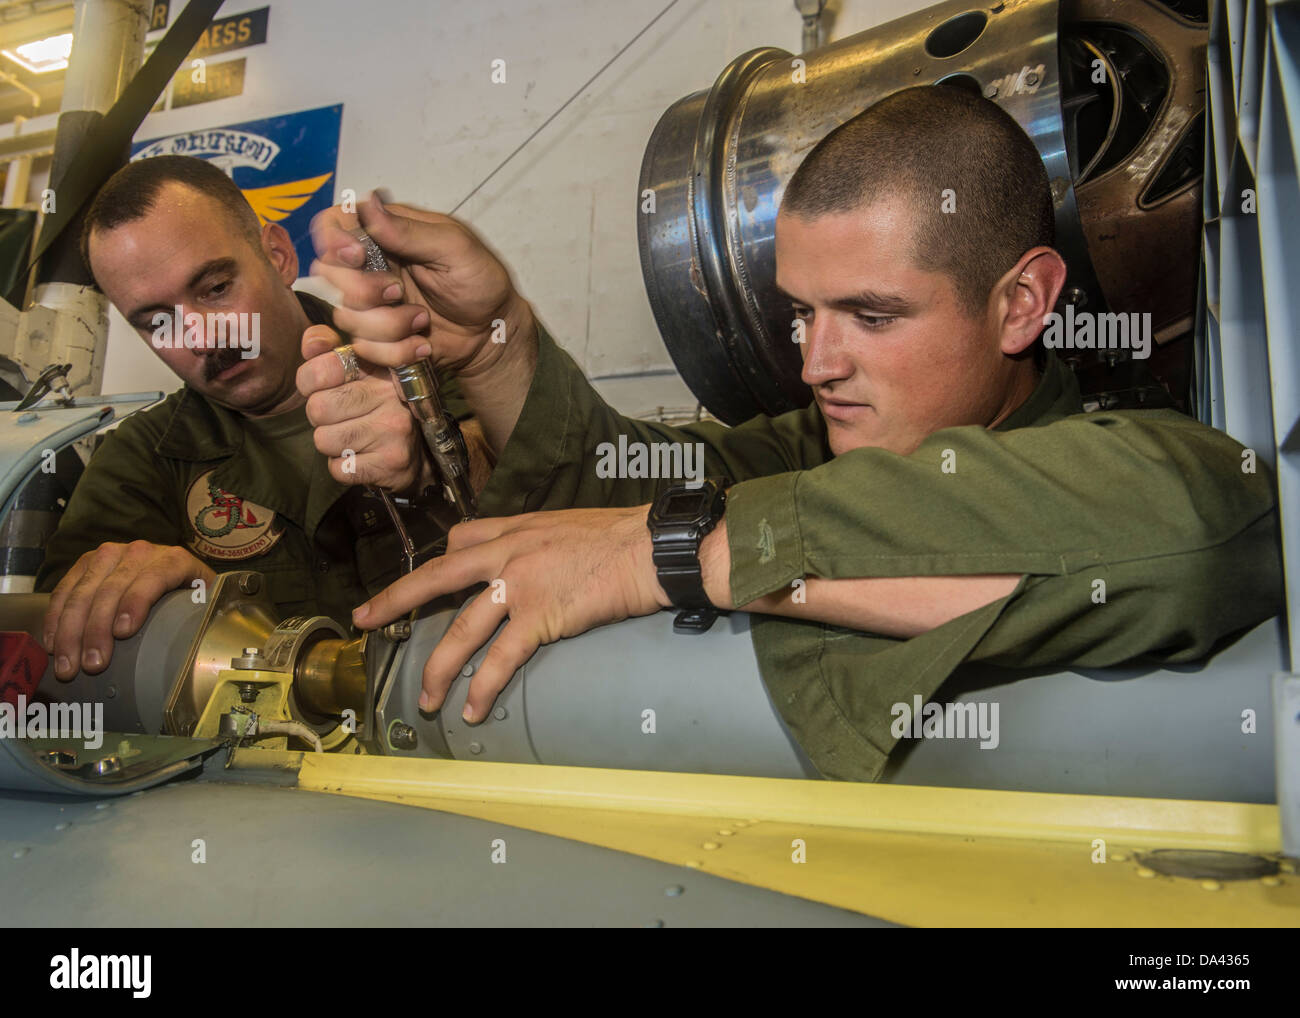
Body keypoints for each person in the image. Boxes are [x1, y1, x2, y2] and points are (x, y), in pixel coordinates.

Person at [299, 86, 1282, 781]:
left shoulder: (1114, 459)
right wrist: (492, 345)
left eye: (873, 314)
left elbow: (1199, 523)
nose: (815, 362)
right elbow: (608, 490)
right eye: (803, 313)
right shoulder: (809, 448)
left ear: (1020, 303)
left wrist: (685, 556)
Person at [36, 155, 491, 683]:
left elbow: (556, 485)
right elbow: (61, 647)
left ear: (276, 255)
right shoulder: (141, 461)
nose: (202, 339)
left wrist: (439, 459)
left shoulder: (427, 358)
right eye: (159, 322)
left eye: (215, 289)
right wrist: (197, 614)